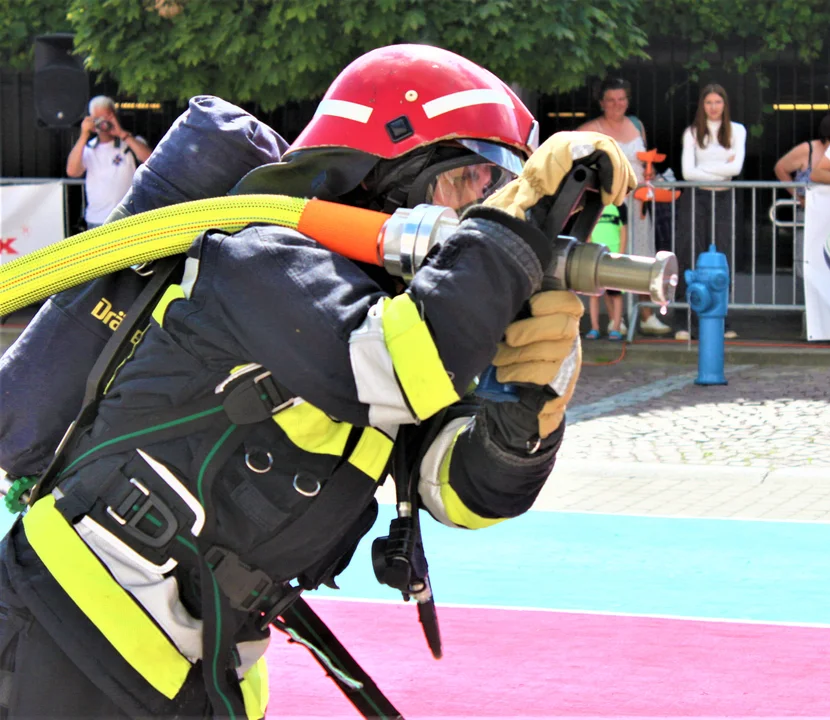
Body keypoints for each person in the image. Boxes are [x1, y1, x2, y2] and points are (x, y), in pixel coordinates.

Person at [0, 44, 634, 719]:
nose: (477, 207)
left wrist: (523, 412)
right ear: (390, 175)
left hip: (195, 663)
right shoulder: (261, 257)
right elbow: (401, 359)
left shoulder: (384, 319)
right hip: (73, 626)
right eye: (470, 182)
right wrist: (513, 233)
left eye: (491, 190)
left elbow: (456, 492)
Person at [579, 77, 669, 336]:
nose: (617, 104)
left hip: (639, 201)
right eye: (611, 100)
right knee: (612, 257)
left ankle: (645, 314)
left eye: (621, 99)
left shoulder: (637, 124)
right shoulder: (590, 129)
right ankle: (615, 321)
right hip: (610, 204)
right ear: (601, 103)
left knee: (642, 255)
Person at [677, 84, 746, 340]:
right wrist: (721, 168)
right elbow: (687, 173)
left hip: (724, 198)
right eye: (709, 103)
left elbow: (736, 168)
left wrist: (708, 170)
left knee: (723, 255)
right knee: (690, 254)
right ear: (702, 106)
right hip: (696, 197)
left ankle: (722, 320)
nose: (713, 107)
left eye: (718, 102)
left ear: (725, 105)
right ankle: (687, 321)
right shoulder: (693, 132)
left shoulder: (737, 130)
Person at [773, 113, 830, 284]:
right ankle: (805, 305)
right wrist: (797, 196)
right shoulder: (808, 150)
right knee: (806, 259)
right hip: (808, 213)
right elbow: (781, 168)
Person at [65, 95, 153, 229]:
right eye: (98, 119)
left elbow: (151, 160)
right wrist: (84, 135)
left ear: (115, 116)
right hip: (97, 220)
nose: (103, 123)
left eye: (107, 117)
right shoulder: (88, 148)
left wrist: (122, 134)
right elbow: (72, 171)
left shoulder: (130, 143)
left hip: (128, 218)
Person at [583, 204, 628, 341]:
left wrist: (620, 253)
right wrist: (590, 247)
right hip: (596, 256)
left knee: (615, 293)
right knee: (594, 294)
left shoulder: (620, 206)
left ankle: (616, 328)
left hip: (614, 257)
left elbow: (623, 230)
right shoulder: (595, 205)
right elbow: (588, 230)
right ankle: (595, 327)